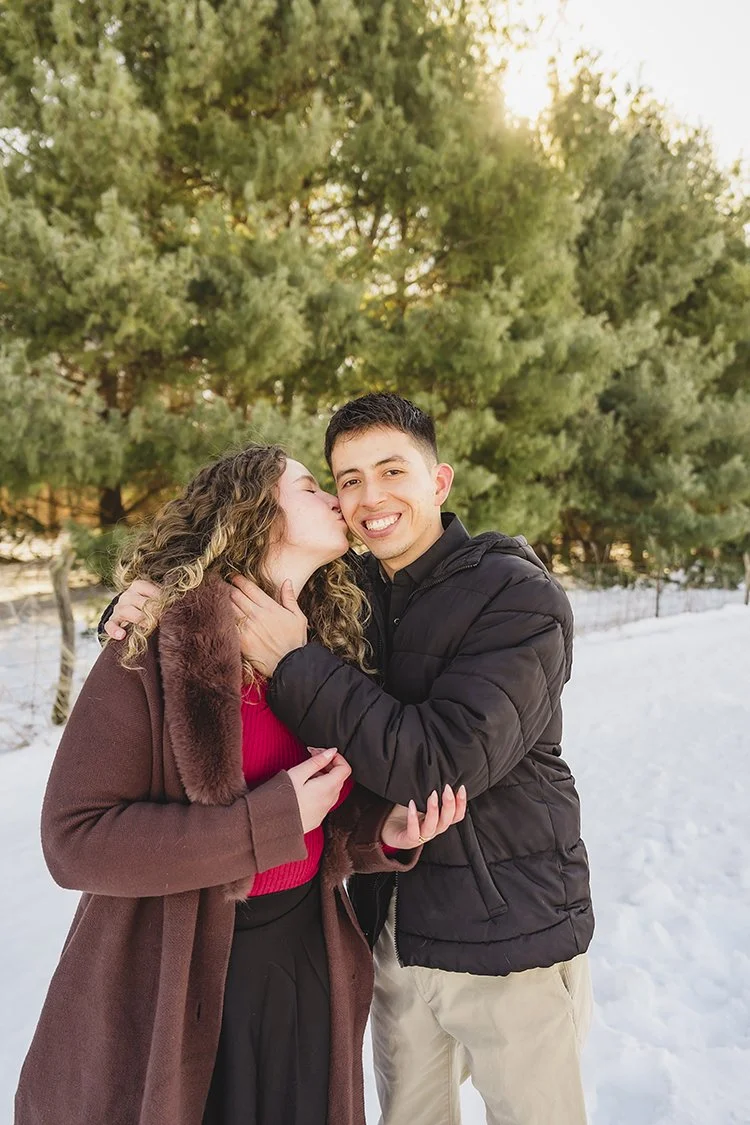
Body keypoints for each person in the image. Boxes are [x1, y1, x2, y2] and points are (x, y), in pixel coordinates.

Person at [105, 393, 595, 1125]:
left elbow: (438, 763)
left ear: (440, 481)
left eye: (392, 470)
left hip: (508, 937)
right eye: (349, 477)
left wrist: (299, 664)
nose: (370, 497)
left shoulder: (517, 597)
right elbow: (232, 576)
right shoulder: (351, 591)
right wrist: (147, 603)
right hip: (393, 936)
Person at [15, 442, 466, 1125]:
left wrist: (379, 832)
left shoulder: (323, 641)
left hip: (305, 963)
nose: (336, 500)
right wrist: (271, 818)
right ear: (255, 511)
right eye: (313, 487)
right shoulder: (155, 637)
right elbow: (72, 839)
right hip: (184, 975)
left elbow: (322, 814)